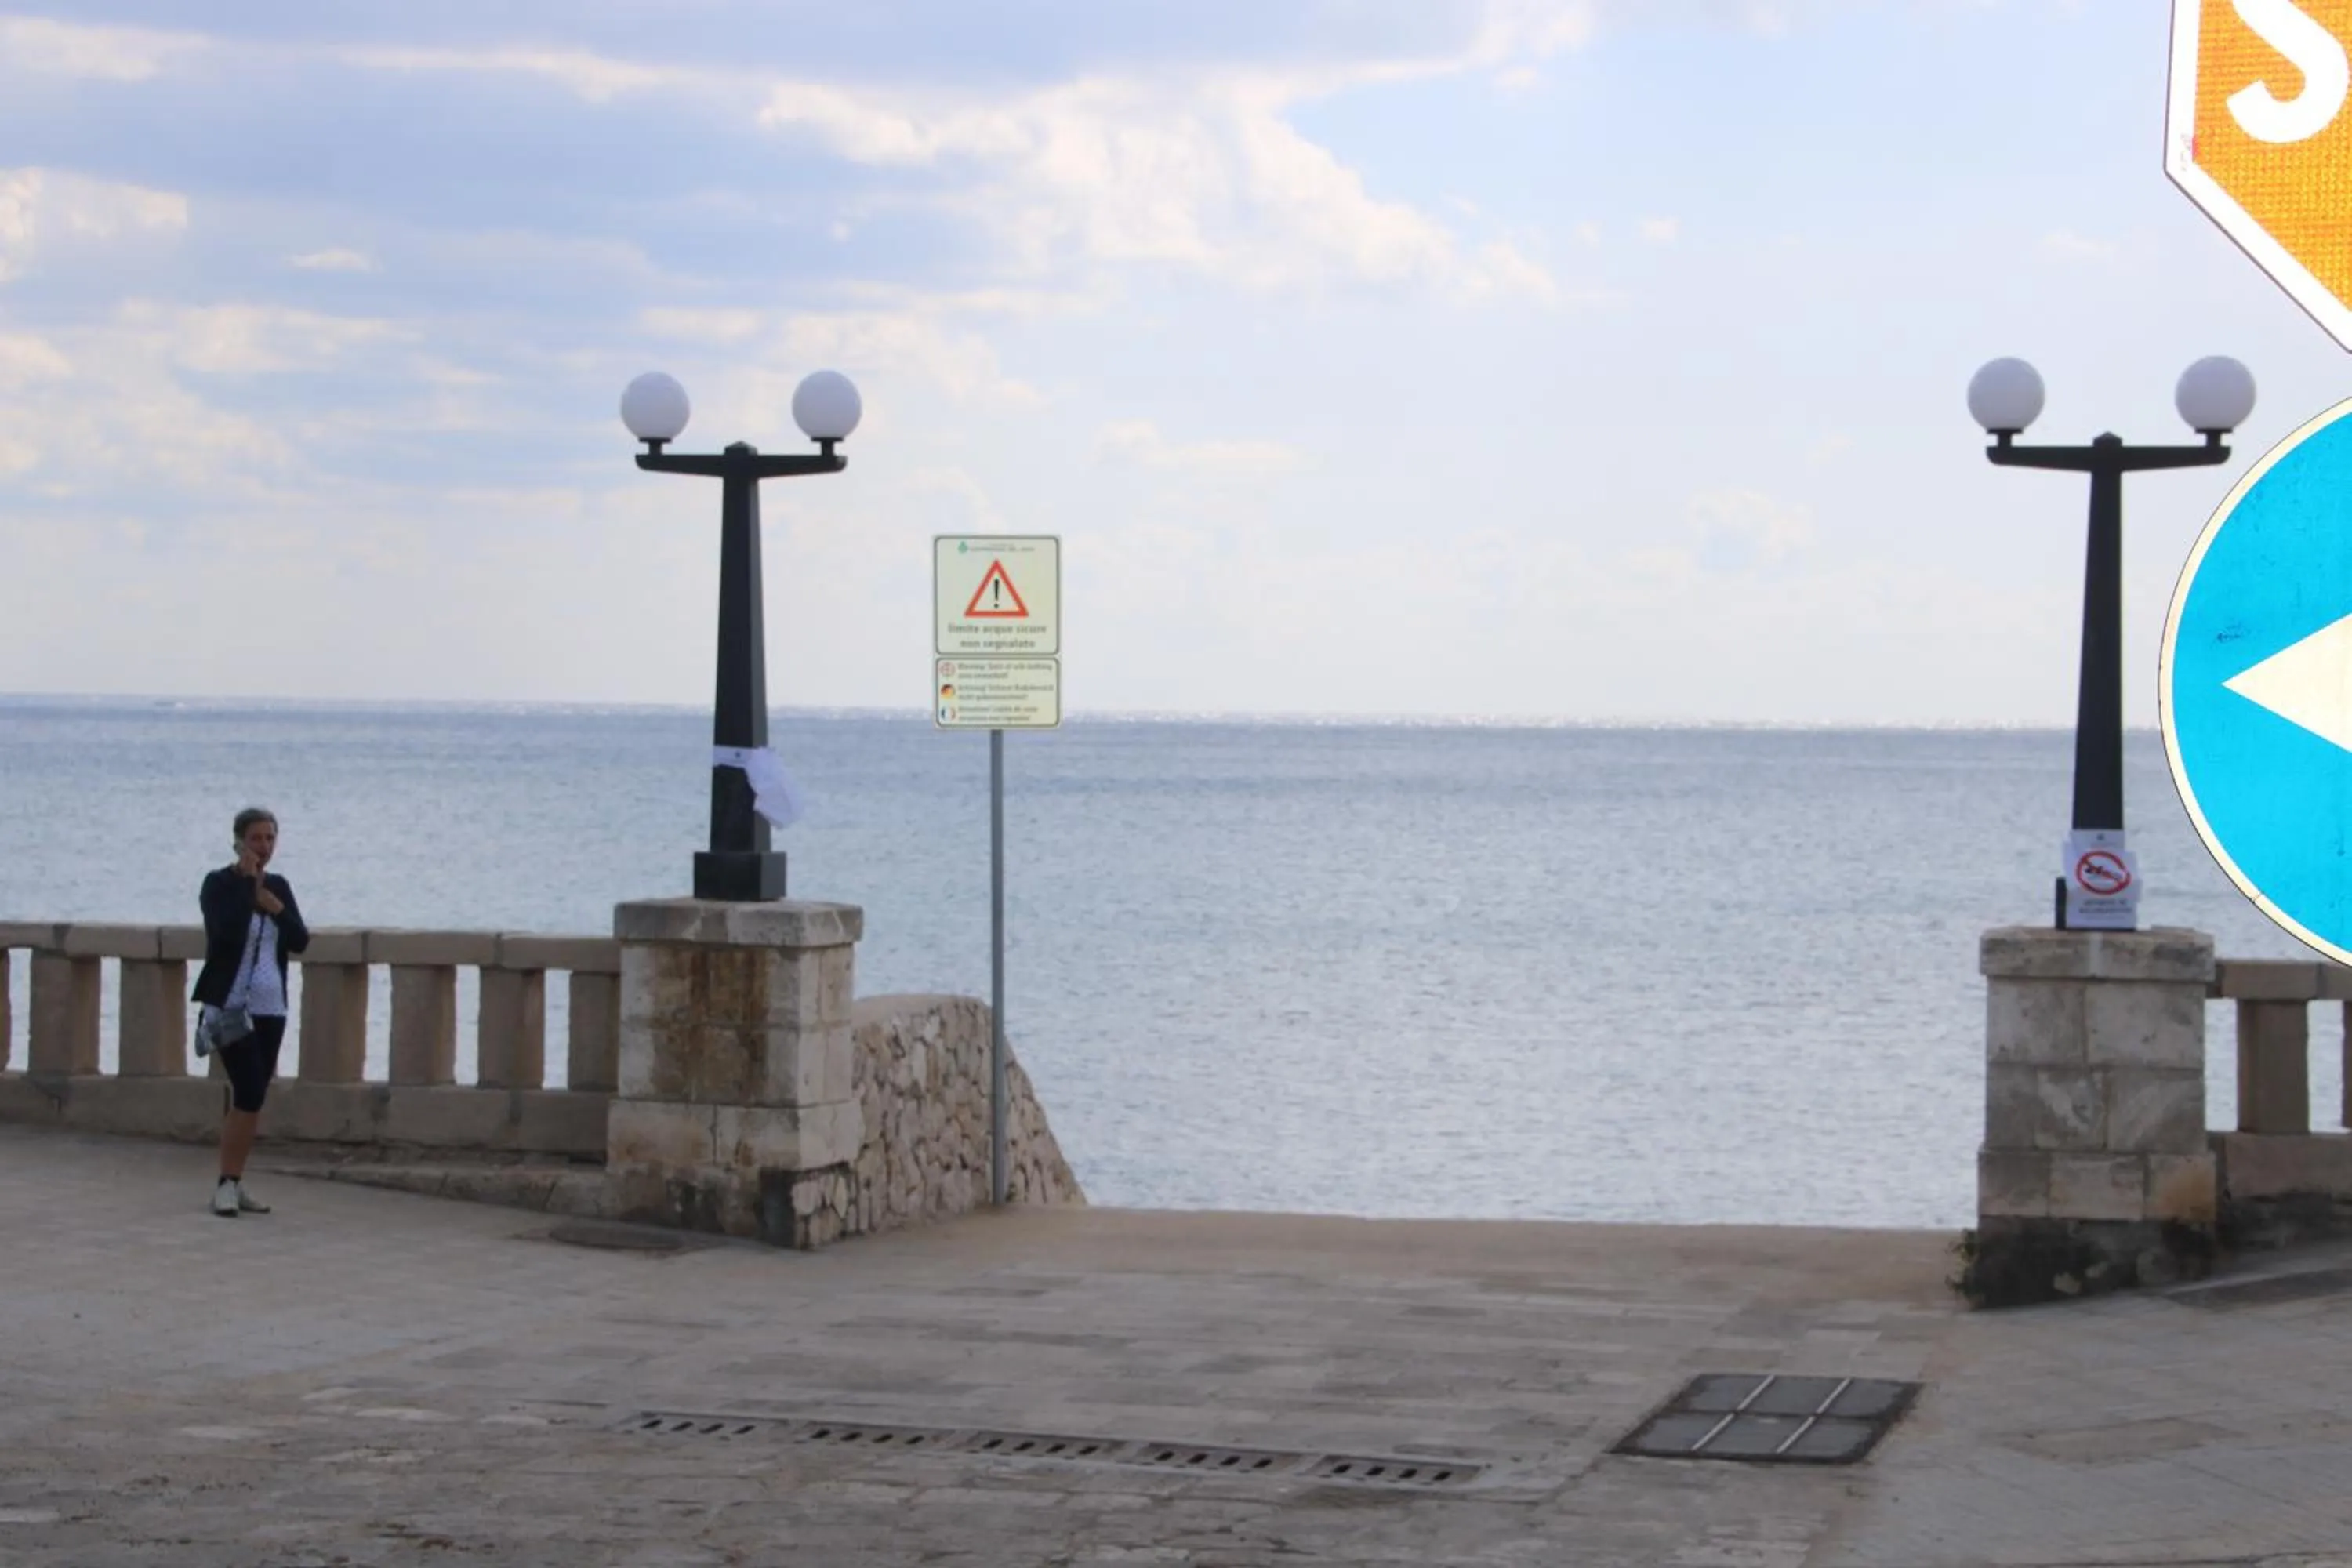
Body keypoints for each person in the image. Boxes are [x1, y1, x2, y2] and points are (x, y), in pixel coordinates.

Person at [192, 807, 309, 1218]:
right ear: (239, 841)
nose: (264, 846)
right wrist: (246, 890)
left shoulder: (279, 886)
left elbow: (300, 940)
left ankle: (235, 1182)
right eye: (257, 838)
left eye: (270, 838)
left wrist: (274, 906)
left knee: (254, 1096)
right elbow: (225, 932)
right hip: (230, 1004)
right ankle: (226, 1185)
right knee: (249, 1089)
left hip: (270, 1005)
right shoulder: (219, 884)